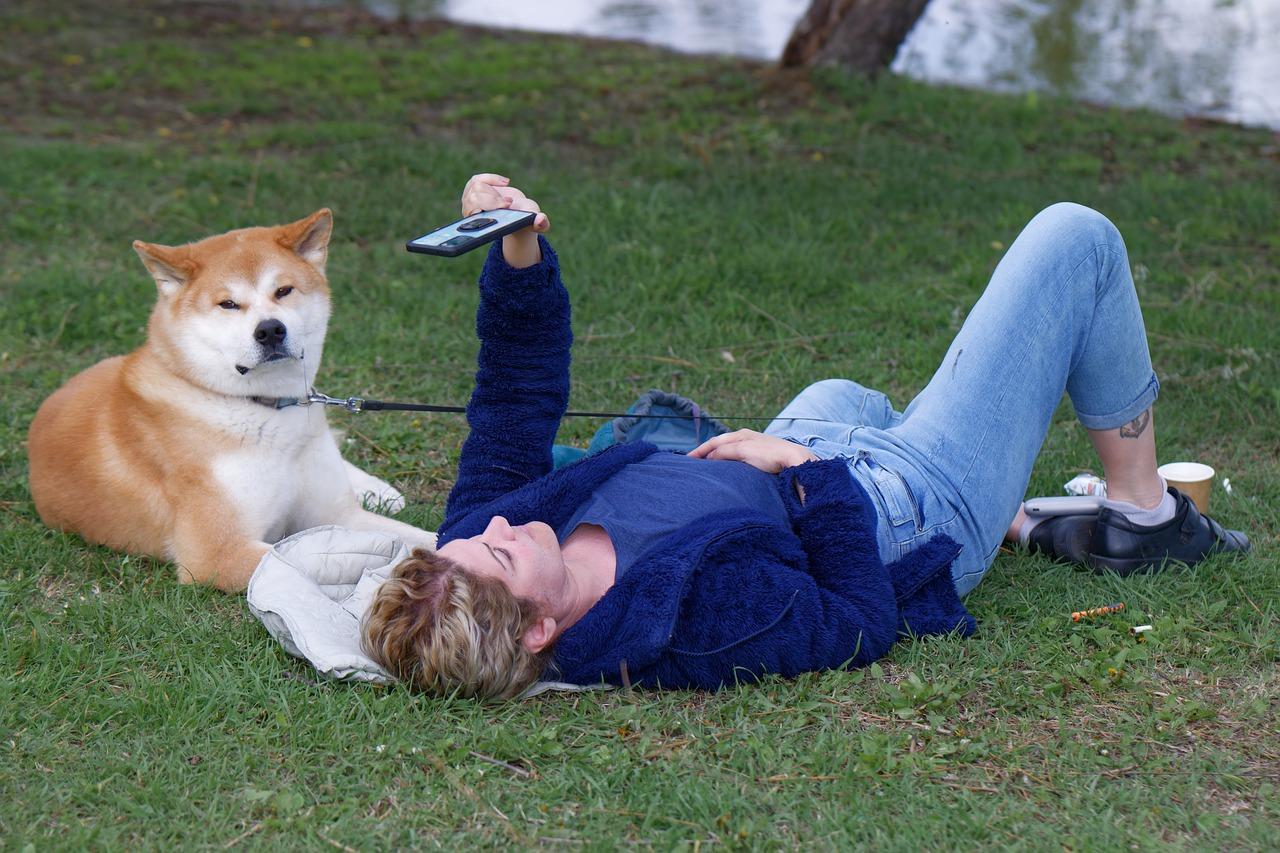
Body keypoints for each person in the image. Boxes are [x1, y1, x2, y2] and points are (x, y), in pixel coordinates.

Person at [362, 173, 1249, 700]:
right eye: (506, 556)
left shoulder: (472, 541)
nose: (499, 527)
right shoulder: (690, 625)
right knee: (1075, 240)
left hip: (808, 434)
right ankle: (1141, 513)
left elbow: (513, 396)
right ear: (540, 631)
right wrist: (808, 470)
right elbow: (858, 623)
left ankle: (1014, 495)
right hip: (895, 502)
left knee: (844, 391)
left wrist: (515, 246)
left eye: (481, 535)